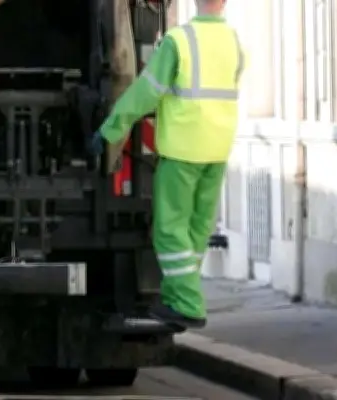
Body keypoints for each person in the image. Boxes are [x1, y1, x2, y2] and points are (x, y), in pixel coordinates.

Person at [89, 0, 244, 330]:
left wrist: (111, 129)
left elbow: (144, 93)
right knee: (196, 230)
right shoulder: (234, 41)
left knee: (170, 230)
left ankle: (188, 303)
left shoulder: (179, 41)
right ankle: (176, 297)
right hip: (218, 149)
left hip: (183, 150)